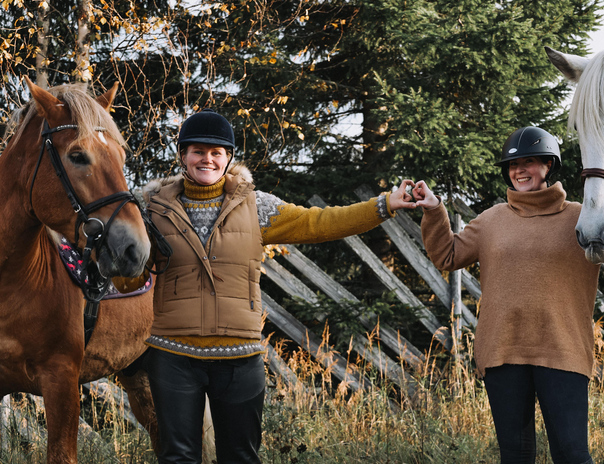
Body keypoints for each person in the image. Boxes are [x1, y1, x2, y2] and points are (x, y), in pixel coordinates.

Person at [139, 109, 417, 464]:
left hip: (239, 357)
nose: (206, 159)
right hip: (173, 356)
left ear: (229, 158)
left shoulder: (257, 206)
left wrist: (384, 205)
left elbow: (319, 223)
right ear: (182, 155)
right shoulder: (151, 209)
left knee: (241, 457)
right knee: (177, 457)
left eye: (216, 152)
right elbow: (128, 274)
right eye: (198, 151)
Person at [411, 126, 604, 464]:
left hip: (563, 350)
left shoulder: (580, 217)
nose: (520, 170)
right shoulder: (491, 220)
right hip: (502, 352)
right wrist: (433, 208)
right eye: (513, 165)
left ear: (548, 166)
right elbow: (447, 255)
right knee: (516, 457)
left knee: (572, 455)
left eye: (529, 162)